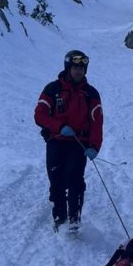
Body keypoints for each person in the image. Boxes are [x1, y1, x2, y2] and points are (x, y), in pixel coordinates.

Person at [34, 49, 103, 234]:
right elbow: (39, 115)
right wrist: (58, 126)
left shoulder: (91, 94)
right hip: (56, 141)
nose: (78, 71)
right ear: (68, 68)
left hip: (78, 143)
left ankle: (74, 219)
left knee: (74, 179)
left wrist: (94, 146)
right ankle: (59, 217)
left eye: (82, 68)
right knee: (56, 180)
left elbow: (97, 122)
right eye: (75, 67)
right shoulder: (52, 89)